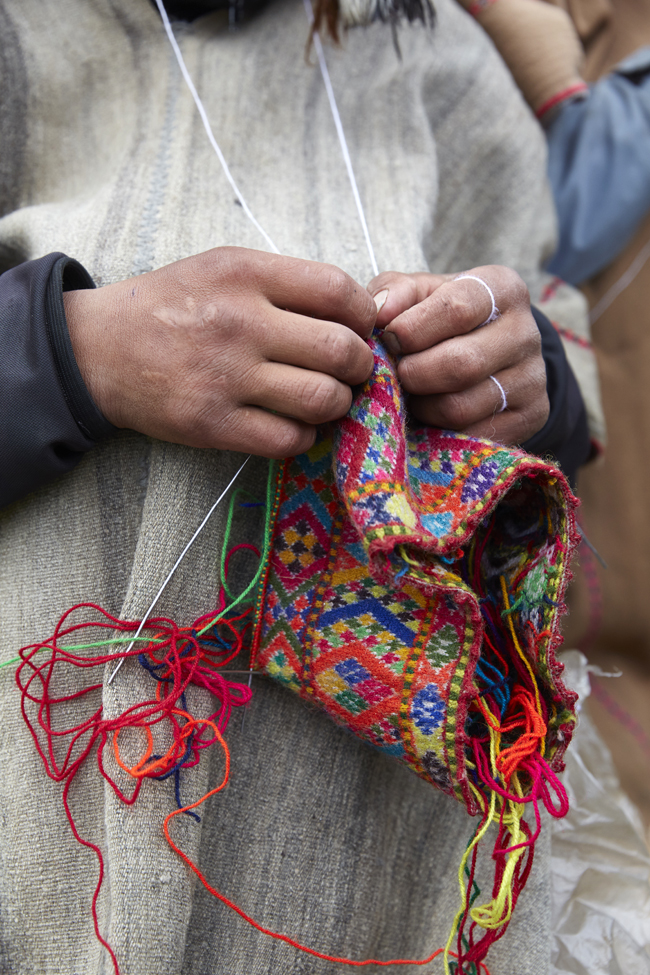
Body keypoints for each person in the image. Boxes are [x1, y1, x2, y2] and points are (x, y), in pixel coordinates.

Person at [0, 0, 598, 972]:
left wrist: (532, 390)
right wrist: (72, 354)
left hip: (365, 903)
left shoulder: (437, 67)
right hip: (32, 854)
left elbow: (552, 384)